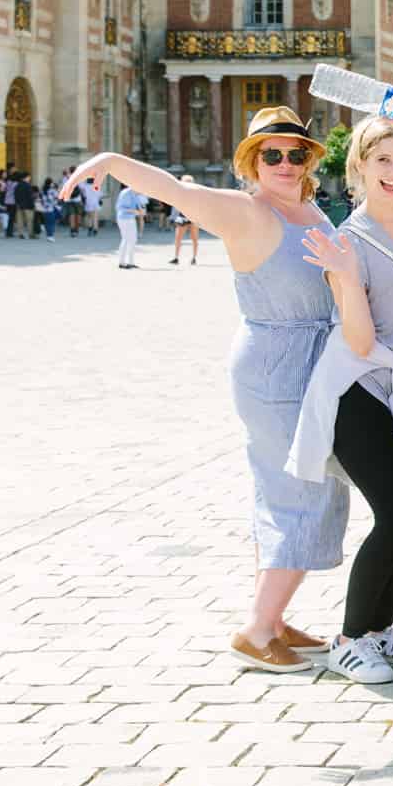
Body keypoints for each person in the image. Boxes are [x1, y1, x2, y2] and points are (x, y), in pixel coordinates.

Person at [60, 107, 348, 673]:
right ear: (251, 161)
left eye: (295, 153)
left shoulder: (308, 207)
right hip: (276, 364)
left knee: (291, 491)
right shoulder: (246, 210)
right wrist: (112, 161)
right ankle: (257, 630)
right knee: (300, 495)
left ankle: (275, 613)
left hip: (313, 361)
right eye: (271, 154)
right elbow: (171, 188)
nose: (285, 163)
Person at [291, 117, 393, 685]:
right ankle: (348, 638)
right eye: (381, 161)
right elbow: (360, 341)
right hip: (359, 392)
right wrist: (342, 276)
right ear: (359, 166)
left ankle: (378, 629)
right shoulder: (350, 240)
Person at [169, 177, 201, 264]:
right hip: (182, 216)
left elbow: (200, 206)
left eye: (189, 182)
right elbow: (175, 206)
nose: (187, 184)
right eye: (185, 182)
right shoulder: (179, 193)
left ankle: (194, 257)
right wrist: (172, 217)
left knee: (194, 238)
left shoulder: (196, 194)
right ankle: (176, 257)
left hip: (194, 217)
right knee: (178, 238)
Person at [115, 184, 147, 269]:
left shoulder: (135, 194)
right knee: (126, 239)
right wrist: (135, 211)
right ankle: (121, 262)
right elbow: (119, 208)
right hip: (124, 218)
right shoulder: (125, 193)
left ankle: (131, 262)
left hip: (131, 218)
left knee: (133, 240)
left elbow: (139, 206)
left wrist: (141, 210)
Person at [14, 172, 37, 239]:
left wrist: (17, 203)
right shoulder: (28, 185)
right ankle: (31, 234)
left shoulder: (18, 185)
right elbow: (30, 197)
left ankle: (20, 234)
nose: (30, 178)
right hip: (28, 206)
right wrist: (33, 205)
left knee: (20, 221)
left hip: (19, 205)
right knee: (29, 221)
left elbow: (15, 196)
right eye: (29, 177)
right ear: (26, 177)